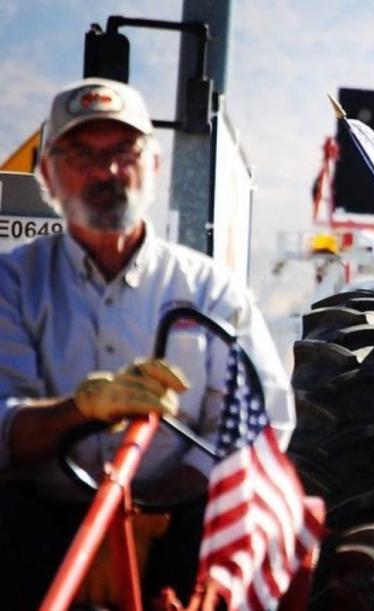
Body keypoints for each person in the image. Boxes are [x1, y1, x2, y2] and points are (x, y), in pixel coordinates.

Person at [0, 77, 295, 608]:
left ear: (152, 166)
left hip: (179, 525)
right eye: (81, 154)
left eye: (123, 152)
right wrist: (78, 410)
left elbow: (261, 423)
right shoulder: (12, 284)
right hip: (33, 526)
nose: (106, 171)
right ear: (47, 174)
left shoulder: (210, 289)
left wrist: (147, 512)